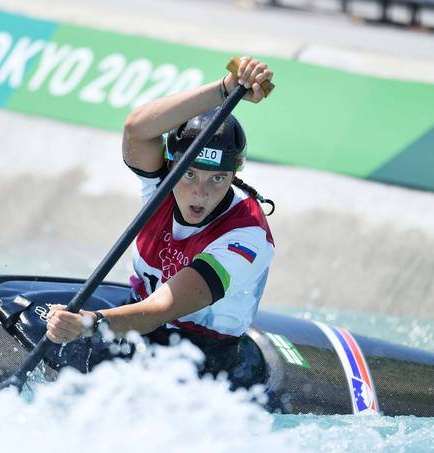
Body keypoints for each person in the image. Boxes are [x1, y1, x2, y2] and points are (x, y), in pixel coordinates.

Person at [46, 56, 275, 379]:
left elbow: (163, 308)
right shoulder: (162, 184)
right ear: (172, 165)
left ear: (233, 175)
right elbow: (137, 130)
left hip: (201, 359)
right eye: (191, 174)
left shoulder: (246, 237)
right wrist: (224, 88)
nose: (201, 192)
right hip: (136, 331)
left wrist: (90, 323)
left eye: (217, 179)